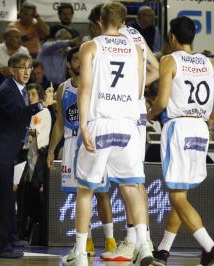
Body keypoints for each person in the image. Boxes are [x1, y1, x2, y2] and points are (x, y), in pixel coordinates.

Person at [62, 3, 151, 265]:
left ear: (99, 21)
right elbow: (137, 91)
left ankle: (79, 252)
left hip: (100, 123)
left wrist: (85, 126)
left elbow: (85, 89)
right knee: (132, 187)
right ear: (124, 23)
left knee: (85, 190)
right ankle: (144, 246)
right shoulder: (136, 49)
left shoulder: (90, 47)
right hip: (127, 125)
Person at [83, 3, 159, 261]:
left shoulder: (101, 43)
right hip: (133, 113)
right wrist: (134, 89)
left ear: (99, 23)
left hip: (116, 112)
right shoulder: (135, 37)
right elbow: (155, 69)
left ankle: (134, 242)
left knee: (129, 183)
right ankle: (141, 242)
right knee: (133, 180)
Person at [148, 16, 214, 266]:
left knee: (176, 197)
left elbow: (162, 101)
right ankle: (163, 251)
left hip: (179, 127)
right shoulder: (208, 62)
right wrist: (208, 121)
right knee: (181, 193)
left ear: (172, 38)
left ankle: (209, 246)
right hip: (200, 128)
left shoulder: (169, 60)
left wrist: (150, 114)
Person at [0, 53, 54, 259]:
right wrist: (42, 104)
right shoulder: (7, 90)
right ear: (12, 69)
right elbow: (18, 115)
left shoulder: (17, 89)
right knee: (3, 198)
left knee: (8, 197)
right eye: (21, 67)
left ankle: (10, 237)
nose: (26, 71)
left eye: (29, 68)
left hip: (7, 148)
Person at [47, 47, 117, 256]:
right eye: (76, 59)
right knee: (80, 195)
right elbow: (60, 122)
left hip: (93, 142)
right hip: (71, 142)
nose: (81, 62)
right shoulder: (63, 89)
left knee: (102, 193)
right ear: (70, 64)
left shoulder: (97, 85)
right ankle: (86, 241)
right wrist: (51, 150)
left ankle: (110, 239)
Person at [17, 83, 51, 244]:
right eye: (28, 94)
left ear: (40, 96)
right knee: (27, 195)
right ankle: (24, 231)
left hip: (36, 155)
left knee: (26, 194)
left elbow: (33, 136)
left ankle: (23, 232)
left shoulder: (40, 112)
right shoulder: (35, 113)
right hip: (33, 154)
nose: (29, 97)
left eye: (32, 94)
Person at [0, 27, 29, 96]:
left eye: (20, 38)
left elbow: (28, 70)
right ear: (7, 39)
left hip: (19, 82)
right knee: (5, 78)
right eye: (17, 38)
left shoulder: (24, 51)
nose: (20, 41)